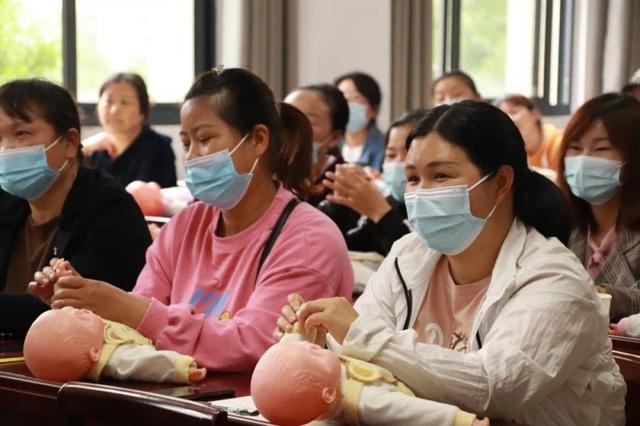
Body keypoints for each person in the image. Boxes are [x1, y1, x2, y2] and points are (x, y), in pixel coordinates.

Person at [275, 101, 625, 425]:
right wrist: (320, 339)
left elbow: (496, 389)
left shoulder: (554, 277)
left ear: (501, 182)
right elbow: (362, 358)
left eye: (441, 176)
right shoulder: (409, 254)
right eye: (413, 179)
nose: (421, 193)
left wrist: (356, 333)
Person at [30, 68, 353, 372]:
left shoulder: (307, 238)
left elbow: (259, 346)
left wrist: (128, 309)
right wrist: (84, 305)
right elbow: (138, 328)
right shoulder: (186, 225)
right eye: (186, 143)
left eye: (205, 139)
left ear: (258, 139)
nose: (192, 157)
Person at [0, 79, 151, 336]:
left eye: (21, 133)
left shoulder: (110, 209)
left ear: (70, 142)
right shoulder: (8, 202)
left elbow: (69, 311)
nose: (6, 149)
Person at [558, 93, 640, 321]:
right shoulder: (562, 225)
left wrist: (598, 294)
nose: (583, 160)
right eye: (575, 147)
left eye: (601, 148)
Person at [323, 109, 426, 255]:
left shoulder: (437, 210)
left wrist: (380, 212)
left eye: (409, 154)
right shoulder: (391, 203)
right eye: (391, 155)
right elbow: (350, 248)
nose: (398, 163)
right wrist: (340, 205)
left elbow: (416, 259)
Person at [82, 72, 177, 188]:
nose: (114, 110)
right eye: (108, 101)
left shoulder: (159, 148)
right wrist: (84, 148)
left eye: (125, 102)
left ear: (142, 111)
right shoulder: (95, 149)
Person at [283, 83, 349, 207]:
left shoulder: (345, 185)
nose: (291, 128)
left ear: (335, 137)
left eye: (307, 122)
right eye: (285, 119)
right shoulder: (265, 174)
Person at [496, 94, 564, 172]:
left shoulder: (560, 144)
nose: (509, 119)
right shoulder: (509, 151)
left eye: (514, 112)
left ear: (534, 114)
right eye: (504, 116)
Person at [335, 71, 385, 171]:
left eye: (358, 99)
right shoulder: (328, 146)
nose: (349, 106)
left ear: (374, 110)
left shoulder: (386, 149)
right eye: (343, 100)